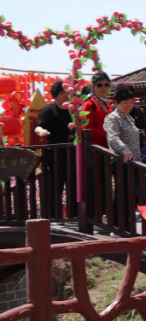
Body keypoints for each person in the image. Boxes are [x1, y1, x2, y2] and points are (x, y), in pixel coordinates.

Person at [35, 80, 75, 217]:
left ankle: (74, 215)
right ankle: (54, 216)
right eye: (62, 93)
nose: (65, 96)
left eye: (67, 93)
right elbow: (38, 126)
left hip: (73, 153)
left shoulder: (73, 109)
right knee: (56, 184)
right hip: (55, 154)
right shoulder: (49, 109)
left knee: (73, 185)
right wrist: (41, 132)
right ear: (55, 94)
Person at [103, 83, 141, 164]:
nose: (129, 105)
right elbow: (113, 138)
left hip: (135, 162)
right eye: (125, 102)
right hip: (122, 163)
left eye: (131, 102)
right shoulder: (112, 118)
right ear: (116, 102)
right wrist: (125, 150)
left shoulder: (129, 118)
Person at [80, 70, 113, 147]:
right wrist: (107, 133)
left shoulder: (107, 103)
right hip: (95, 149)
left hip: (108, 146)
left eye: (106, 85)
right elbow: (86, 128)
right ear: (93, 87)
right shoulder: (89, 104)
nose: (103, 87)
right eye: (99, 85)